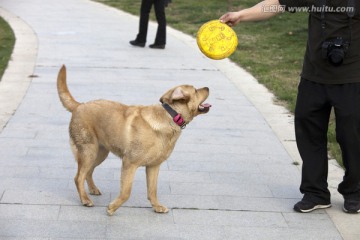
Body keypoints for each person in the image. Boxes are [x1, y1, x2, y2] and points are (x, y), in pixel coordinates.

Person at [220, 0, 360, 214]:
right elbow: (275, 4)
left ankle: (354, 193)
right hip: (313, 76)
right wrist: (242, 14)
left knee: (352, 137)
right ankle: (315, 193)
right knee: (309, 135)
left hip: (353, 77)